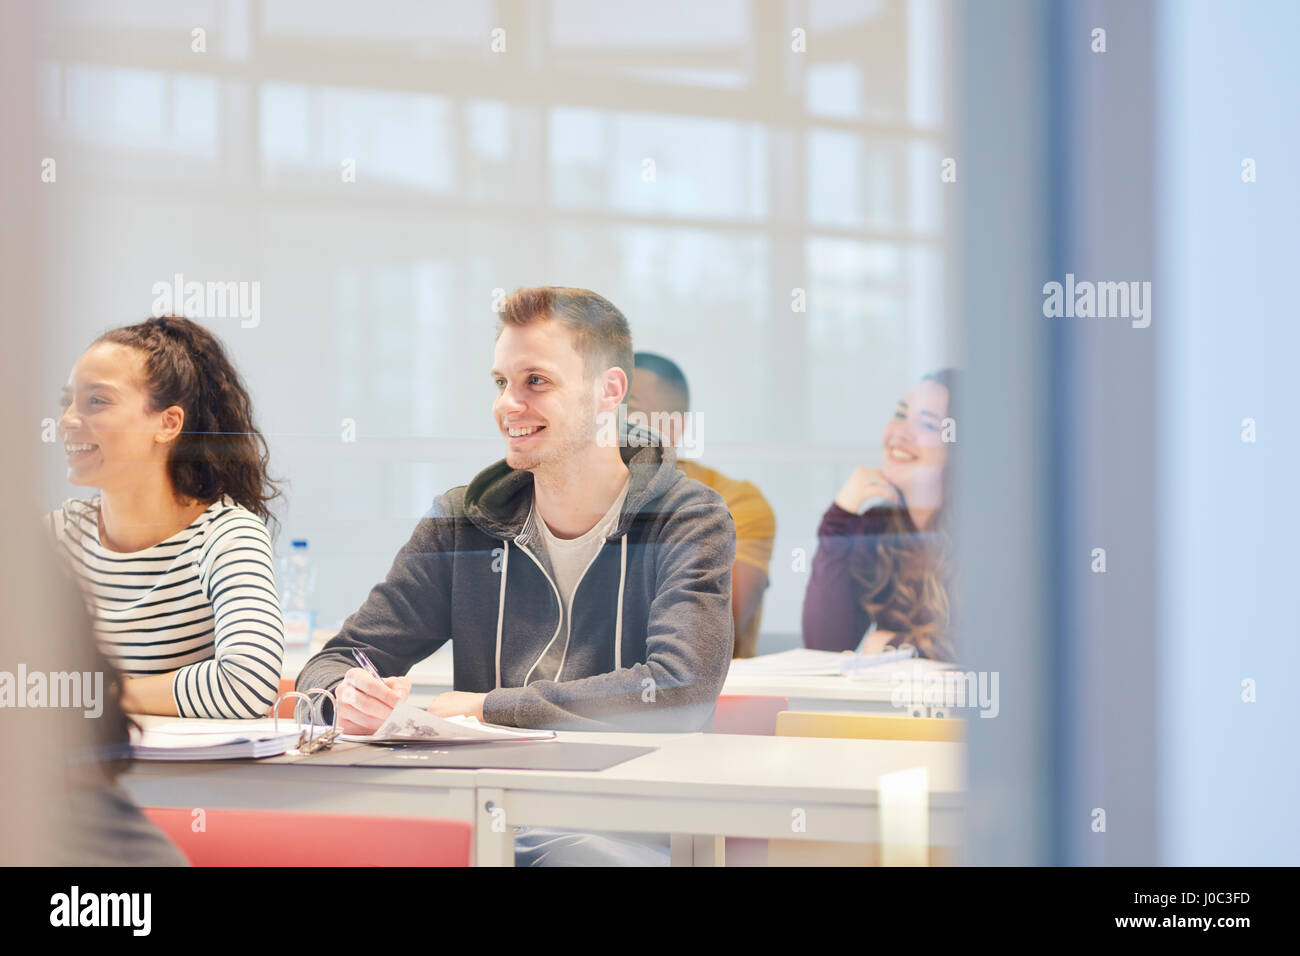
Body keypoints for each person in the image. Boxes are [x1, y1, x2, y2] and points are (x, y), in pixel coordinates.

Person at [296, 287, 736, 866]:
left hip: (622, 826)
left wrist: (487, 709)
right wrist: (344, 695)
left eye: (536, 381)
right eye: (501, 382)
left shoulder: (688, 518)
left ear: (609, 392)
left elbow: (681, 687)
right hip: (484, 818)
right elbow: (341, 658)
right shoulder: (463, 520)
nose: (509, 404)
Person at [48, 316, 285, 719]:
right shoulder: (55, 537)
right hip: (73, 778)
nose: (68, 420)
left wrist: (95, 698)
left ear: (167, 423)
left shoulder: (227, 537)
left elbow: (247, 685)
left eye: (96, 401)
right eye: (67, 402)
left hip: (191, 782)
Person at [802, 370, 958, 662]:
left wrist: (903, 645)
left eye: (926, 423)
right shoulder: (877, 527)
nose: (900, 432)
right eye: (900, 414)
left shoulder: (991, 530)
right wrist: (839, 521)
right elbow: (824, 648)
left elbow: (1001, 652)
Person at [628, 351, 776, 658]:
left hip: (710, 702)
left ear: (673, 427)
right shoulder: (570, 500)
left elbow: (712, 630)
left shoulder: (736, 502)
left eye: (627, 408)